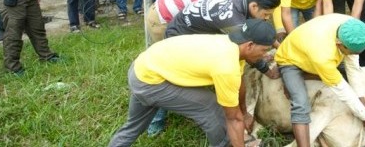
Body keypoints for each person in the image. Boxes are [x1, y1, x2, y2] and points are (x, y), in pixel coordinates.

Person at [107, 19, 276, 147]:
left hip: (142, 68)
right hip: (151, 82)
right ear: (250, 45)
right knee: (210, 107)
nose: (264, 56)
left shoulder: (231, 44)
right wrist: (240, 122)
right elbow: (234, 120)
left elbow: (238, 85)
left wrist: (245, 112)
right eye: (264, 50)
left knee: (133, 127)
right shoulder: (226, 65)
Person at [274, 14, 365, 147]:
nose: (354, 55)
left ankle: (311, 75)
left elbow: (353, 70)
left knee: (345, 72)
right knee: (300, 102)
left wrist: (364, 107)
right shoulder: (323, 56)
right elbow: (342, 90)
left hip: (311, 52)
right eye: (351, 52)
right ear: (339, 44)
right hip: (291, 60)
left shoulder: (351, 28)